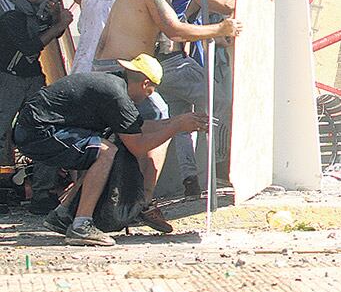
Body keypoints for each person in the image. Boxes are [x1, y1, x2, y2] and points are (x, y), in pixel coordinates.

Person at [94, 0, 241, 228]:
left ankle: (141, 198)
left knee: (154, 123)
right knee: (166, 118)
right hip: (124, 70)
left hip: (118, 67)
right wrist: (220, 29)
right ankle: (146, 202)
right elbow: (175, 29)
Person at [14, 56, 209, 246]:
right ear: (145, 83)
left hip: (37, 127)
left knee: (96, 153)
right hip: (37, 130)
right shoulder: (117, 95)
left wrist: (179, 121)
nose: (149, 96)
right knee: (105, 152)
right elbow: (138, 147)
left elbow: (138, 128)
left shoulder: (116, 86)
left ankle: (63, 215)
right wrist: (176, 127)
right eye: (151, 90)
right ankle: (81, 226)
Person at [157, 0, 235, 197]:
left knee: (180, 122)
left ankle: (190, 178)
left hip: (159, 69)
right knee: (220, 101)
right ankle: (215, 166)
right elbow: (227, 5)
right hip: (175, 63)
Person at [0, 0, 75, 211]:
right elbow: (30, 46)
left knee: (44, 128)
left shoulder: (29, 4)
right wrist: (57, 26)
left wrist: (57, 20)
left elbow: (44, 30)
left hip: (31, 74)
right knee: (2, 134)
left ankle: (43, 193)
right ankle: (4, 189)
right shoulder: (9, 11)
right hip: (8, 78)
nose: (50, 1)